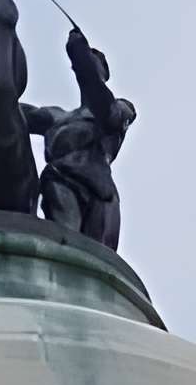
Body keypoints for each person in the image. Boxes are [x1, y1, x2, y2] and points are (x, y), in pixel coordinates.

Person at [25, 24, 135, 251]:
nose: (89, 56)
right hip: (61, 179)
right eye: (89, 54)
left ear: (104, 69)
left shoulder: (119, 108)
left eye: (95, 56)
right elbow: (12, 112)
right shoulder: (56, 117)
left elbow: (97, 94)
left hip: (101, 191)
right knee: (65, 244)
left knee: (100, 259)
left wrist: (80, 55)